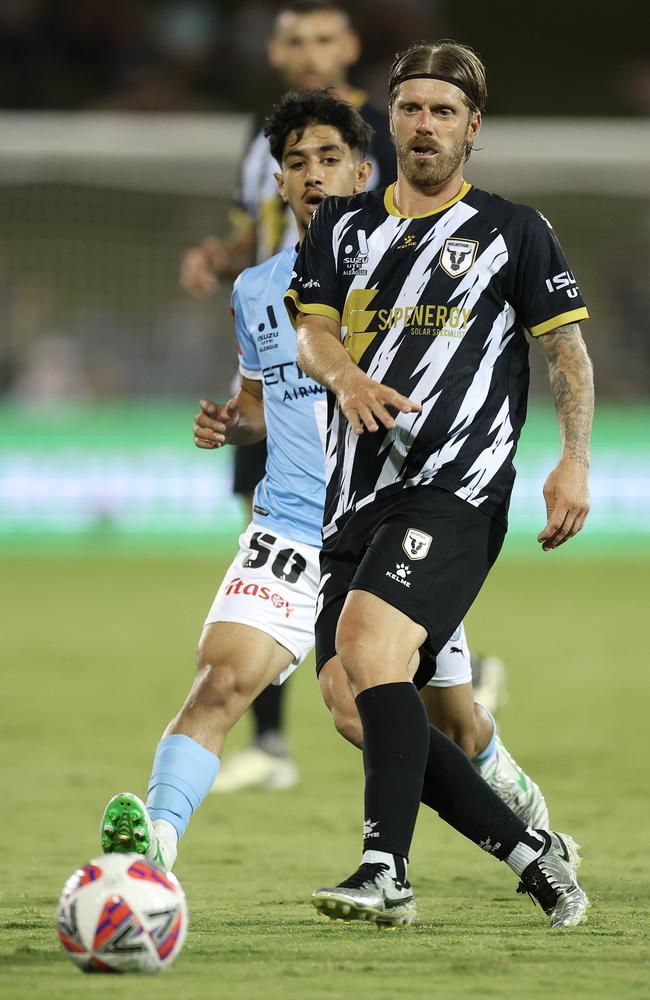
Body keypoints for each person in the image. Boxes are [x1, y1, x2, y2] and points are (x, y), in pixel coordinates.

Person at [99, 95, 561, 927]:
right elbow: (260, 398)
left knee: (440, 725)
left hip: (387, 522)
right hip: (288, 523)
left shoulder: (404, 270)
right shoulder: (256, 290)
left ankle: (519, 810)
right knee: (221, 683)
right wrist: (230, 420)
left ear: (363, 170)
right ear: (279, 181)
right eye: (297, 162)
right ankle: (150, 853)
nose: (314, 175)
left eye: (329, 160)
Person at [287, 42, 593, 928]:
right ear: (391, 119)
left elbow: (564, 350)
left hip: (455, 486)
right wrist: (345, 378)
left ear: (473, 129)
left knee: (370, 648)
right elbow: (313, 331)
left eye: (445, 112)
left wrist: (573, 457)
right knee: (355, 703)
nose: (426, 125)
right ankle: (531, 852)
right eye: (412, 108)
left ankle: (386, 872)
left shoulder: (513, 229)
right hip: (356, 498)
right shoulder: (340, 227)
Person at [183, 1, 398, 794]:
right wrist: (223, 255)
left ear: (348, 45)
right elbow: (257, 224)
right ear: (276, 51)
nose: (308, 54)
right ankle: (270, 742)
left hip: (356, 347)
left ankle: (453, 669)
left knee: (375, 575)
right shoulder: (264, 137)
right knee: (266, 529)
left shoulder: (384, 126)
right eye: (294, 41)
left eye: (322, 39)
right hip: (278, 342)